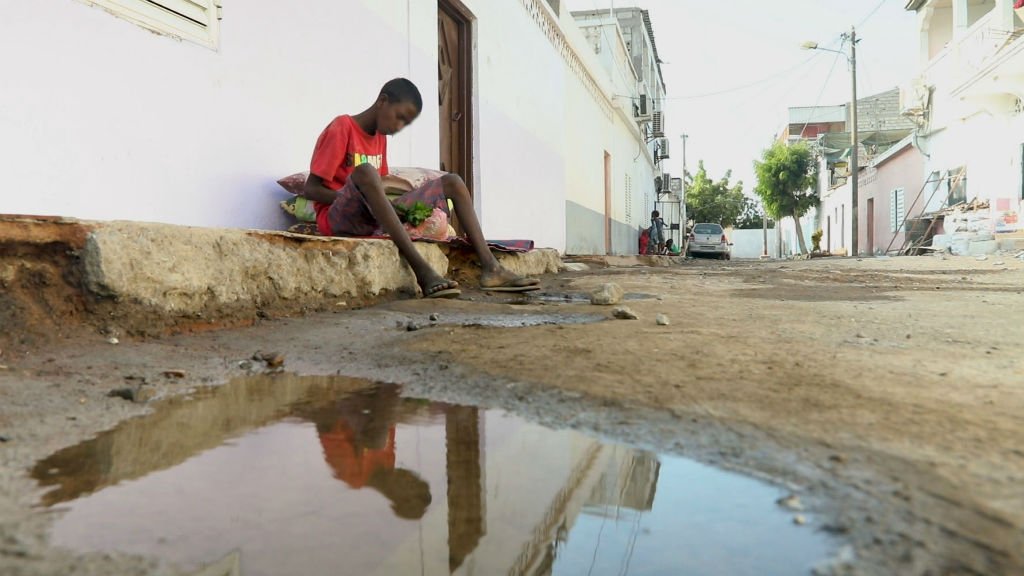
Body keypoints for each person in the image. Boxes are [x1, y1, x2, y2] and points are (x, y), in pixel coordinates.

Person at [302, 78, 539, 298]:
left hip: (370, 216)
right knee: (365, 171)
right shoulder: (342, 128)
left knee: (453, 182)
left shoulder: (380, 138)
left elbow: (380, 187)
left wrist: (391, 206)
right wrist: (360, 198)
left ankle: (491, 268)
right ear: (382, 101)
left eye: (406, 123)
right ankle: (423, 272)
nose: (399, 126)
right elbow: (310, 189)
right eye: (399, 117)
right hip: (338, 217)